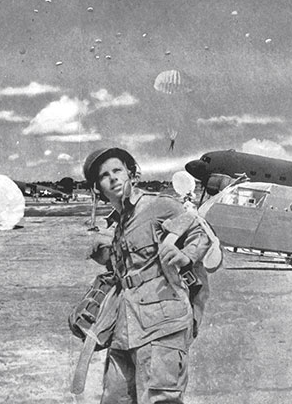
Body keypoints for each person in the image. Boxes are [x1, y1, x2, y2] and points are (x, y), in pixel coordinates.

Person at [83, 147, 214, 404]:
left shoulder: (158, 206)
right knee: (114, 398)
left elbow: (200, 232)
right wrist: (108, 258)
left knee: (160, 399)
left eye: (118, 170)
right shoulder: (120, 222)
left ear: (131, 173)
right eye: (104, 175)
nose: (113, 178)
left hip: (162, 324)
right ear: (98, 187)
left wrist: (186, 255)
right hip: (125, 329)